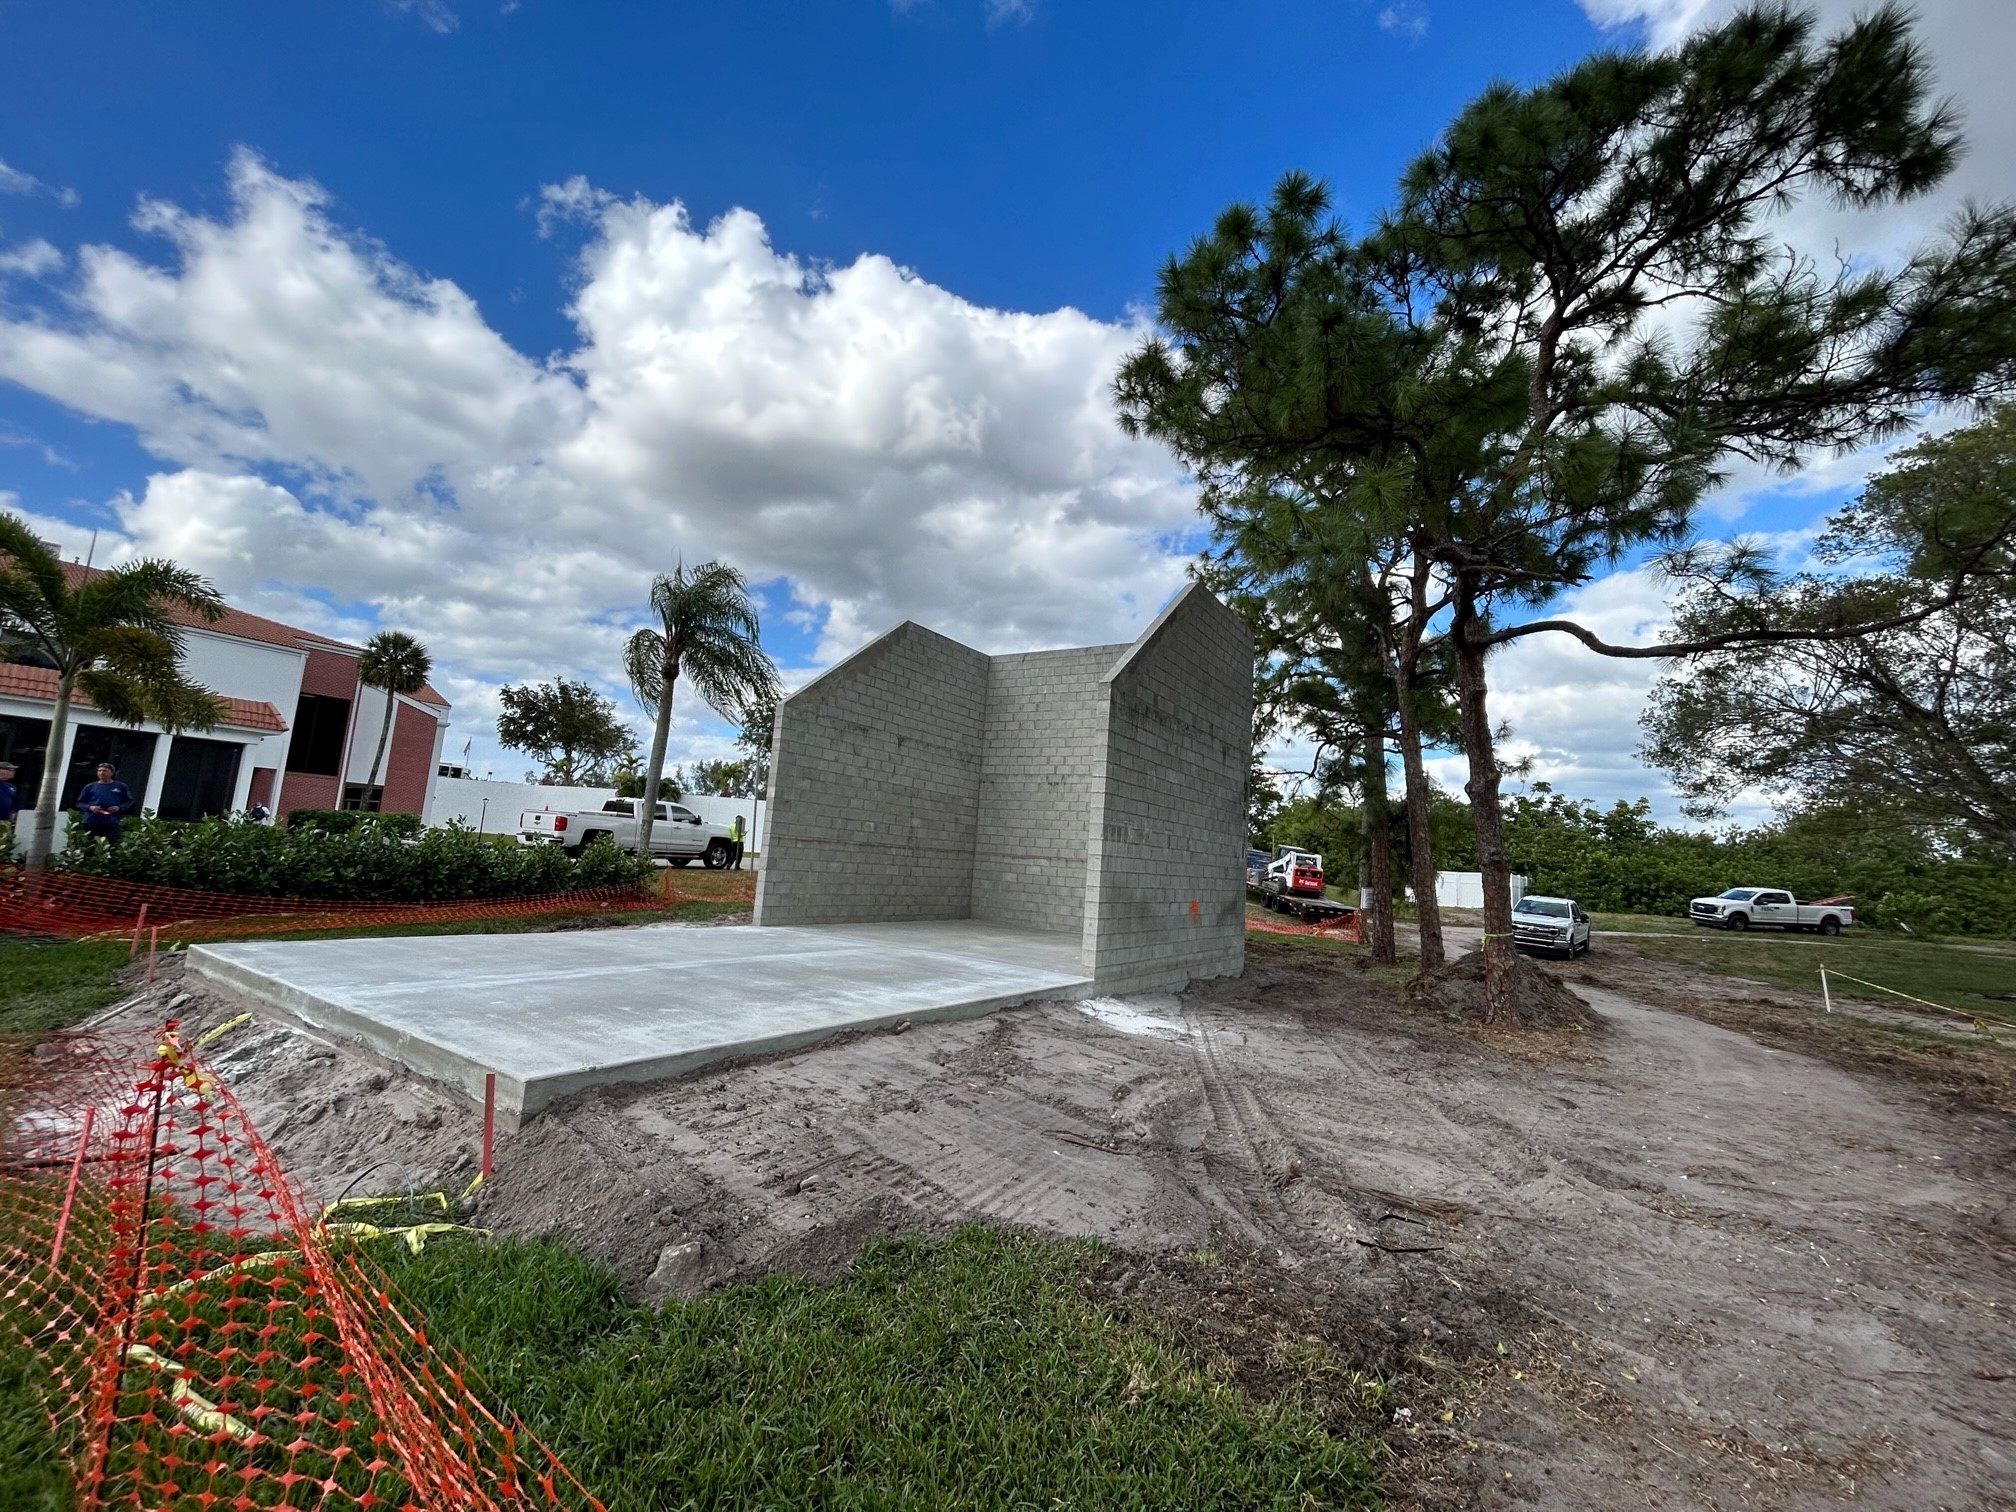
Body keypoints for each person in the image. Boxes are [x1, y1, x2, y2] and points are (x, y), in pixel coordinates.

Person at [75, 763, 136, 845]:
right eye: (99, 771)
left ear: (112, 773)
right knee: (90, 844)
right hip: (91, 821)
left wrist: (119, 807)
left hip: (110, 821)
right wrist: (90, 807)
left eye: (104, 771)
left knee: (113, 844)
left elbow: (130, 801)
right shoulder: (90, 786)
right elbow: (79, 803)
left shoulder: (121, 786)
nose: (101, 773)